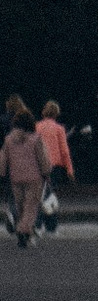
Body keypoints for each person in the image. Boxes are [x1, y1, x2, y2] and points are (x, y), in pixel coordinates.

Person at [3, 99, 42, 253]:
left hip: (13, 174)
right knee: (31, 205)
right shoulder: (35, 139)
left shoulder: (8, 139)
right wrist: (46, 172)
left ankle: (14, 217)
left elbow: (3, 157)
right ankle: (24, 230)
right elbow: (43, 158)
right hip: (33, 176)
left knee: (17, 202)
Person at [34, 101, 73, 236]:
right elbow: (64, 151)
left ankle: (39, 224)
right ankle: (51, 225)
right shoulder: (59, 129)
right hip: (54, 166)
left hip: (38, 165)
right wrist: (69, 169)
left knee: (39, 195)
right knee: (50, 196)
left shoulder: (36, 127)